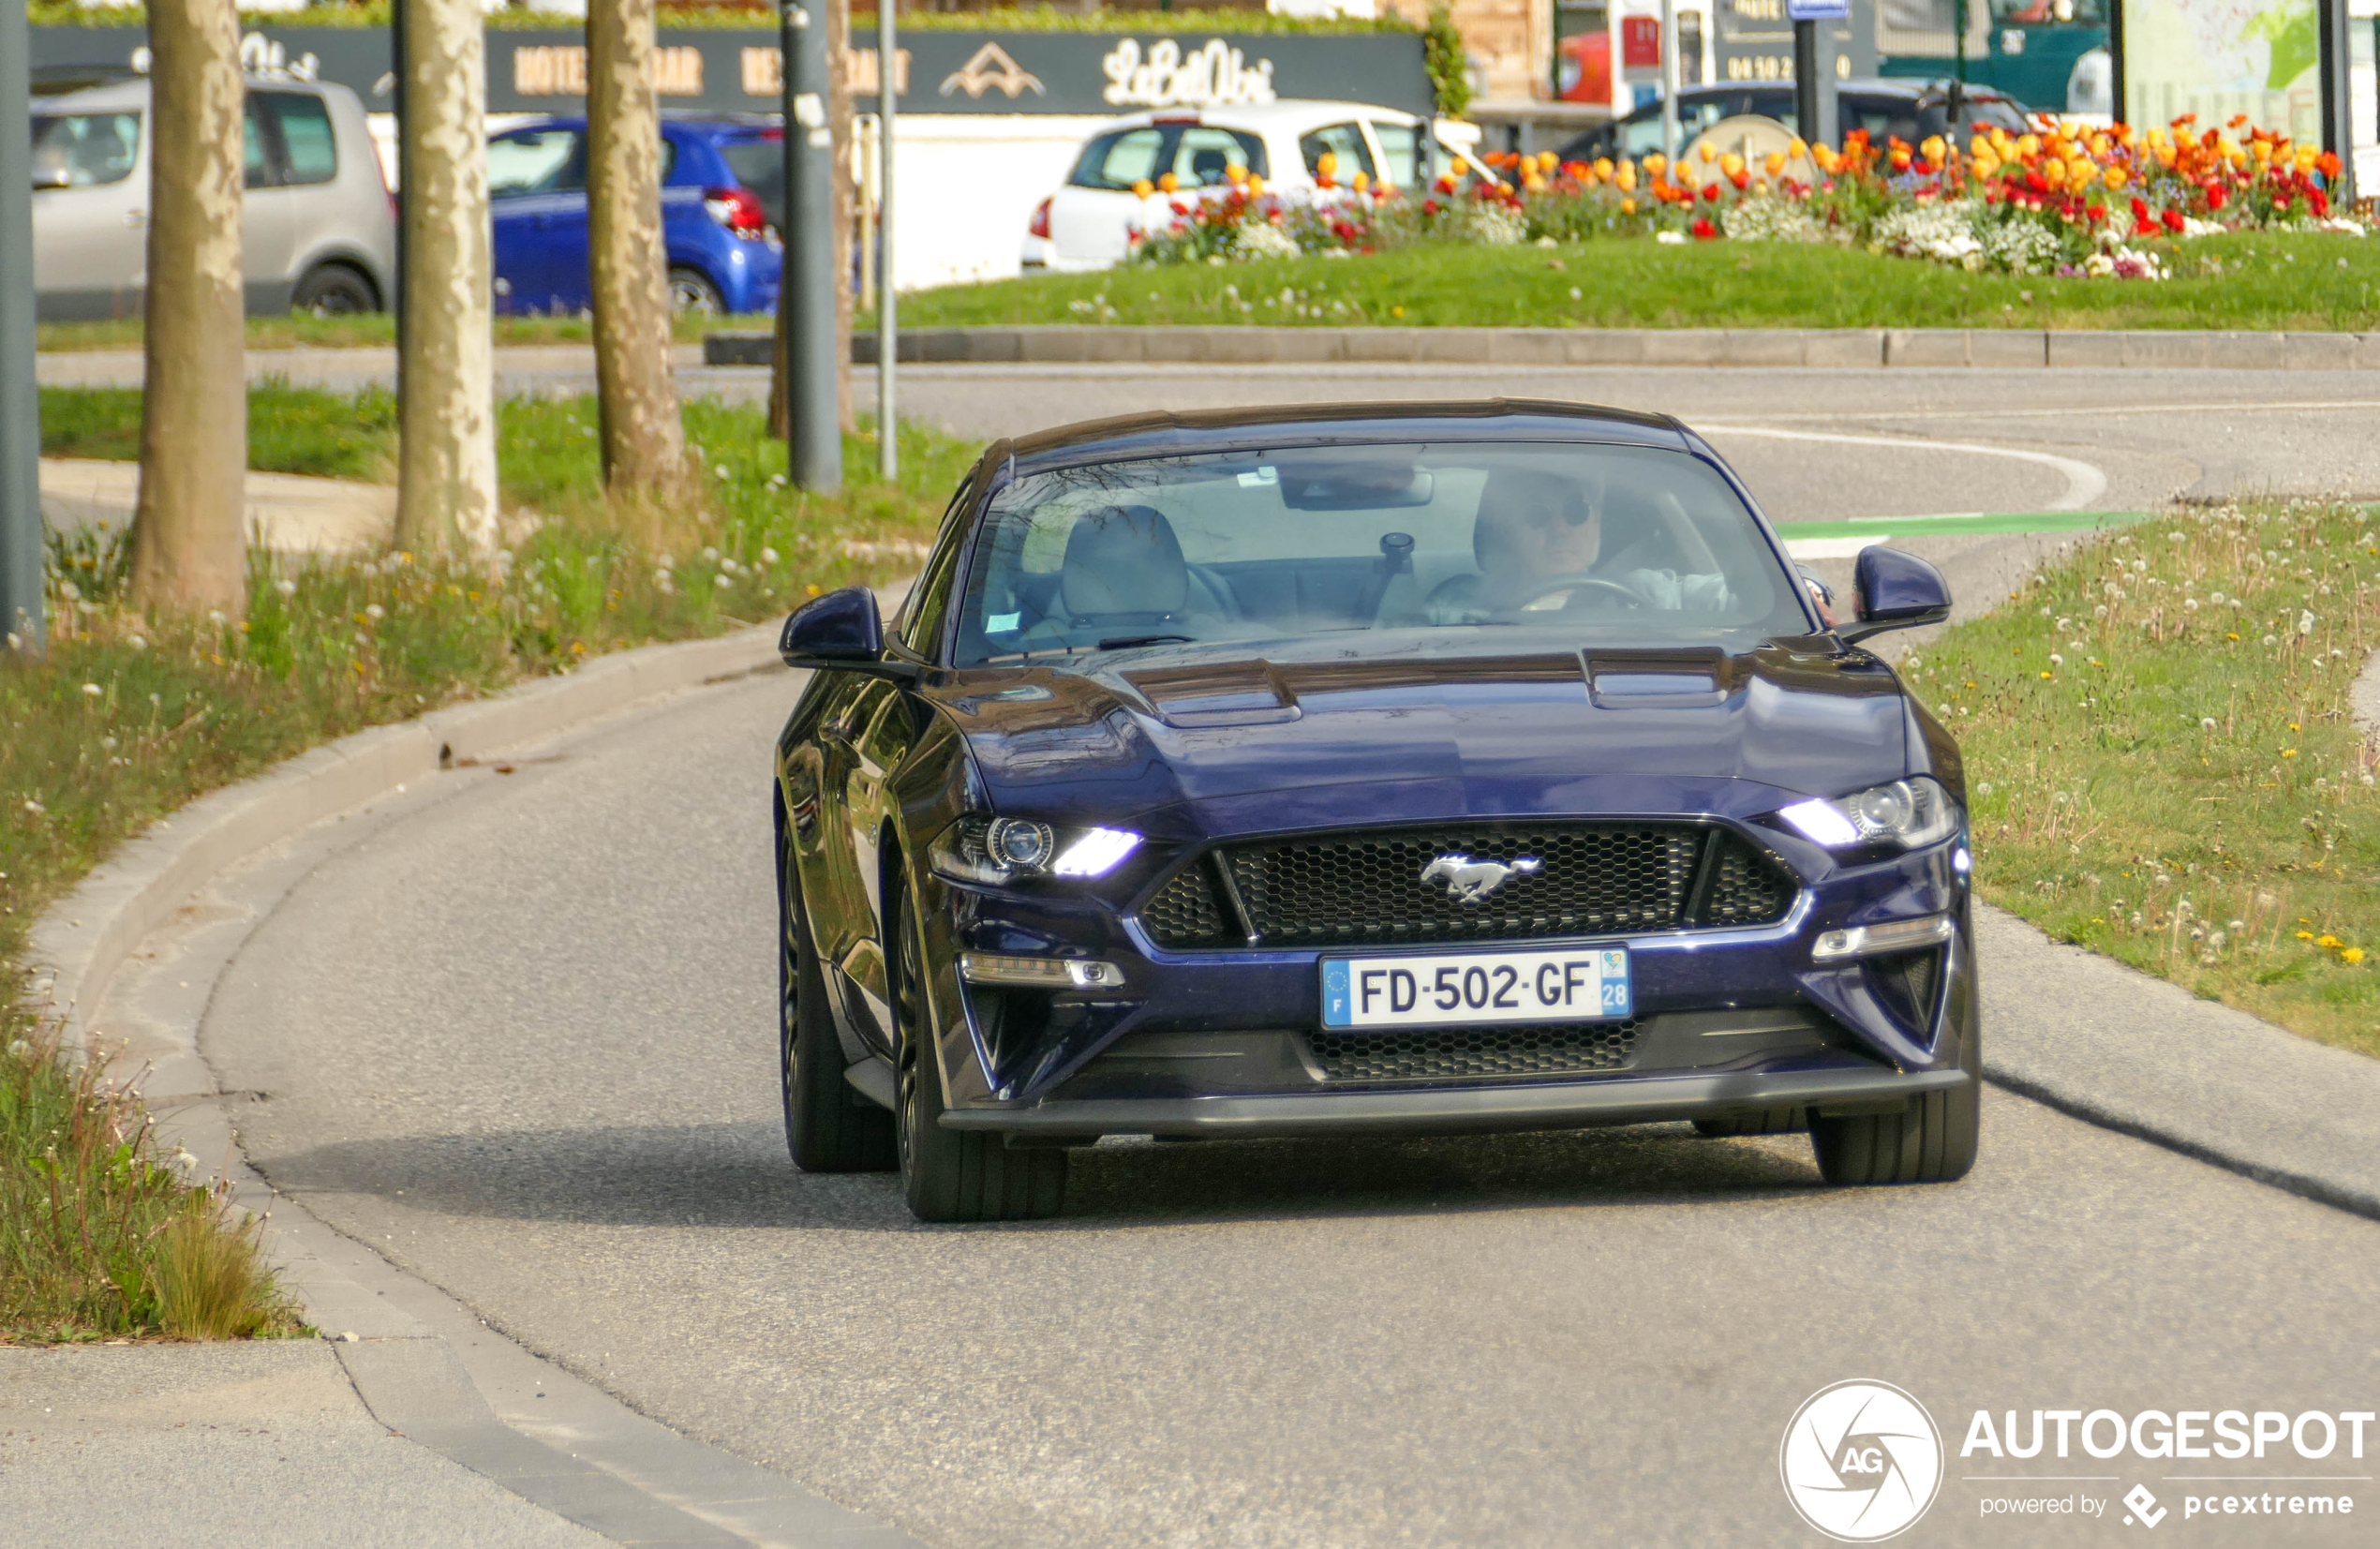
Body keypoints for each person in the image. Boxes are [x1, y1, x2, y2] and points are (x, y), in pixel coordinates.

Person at [1425, 464, 1738, 624]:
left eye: (1576, 512)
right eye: (1538, 515)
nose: (1560, 529)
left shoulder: (1648, 592)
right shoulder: (1457, 605)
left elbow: (1744, 597)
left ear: (1596, 522)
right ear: (1508, 531)